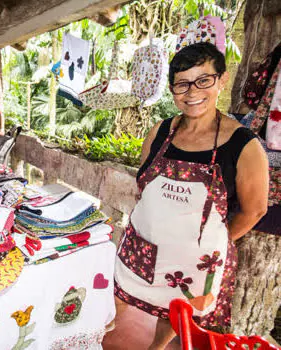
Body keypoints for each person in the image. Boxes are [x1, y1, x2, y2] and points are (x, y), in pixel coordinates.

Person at [111, 43, 269, 350]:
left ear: (221, 80)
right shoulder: (159, 131)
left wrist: (206, 246)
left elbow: (254, 210)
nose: (192, 91)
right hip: (142, 242)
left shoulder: (244, 145)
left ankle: (156, 347)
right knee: (116, 296)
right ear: (172, 89)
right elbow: (143, 183)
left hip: (193, 260)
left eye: (204, 80)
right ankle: (91, 337)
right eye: (182, 83)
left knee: (176, 309)